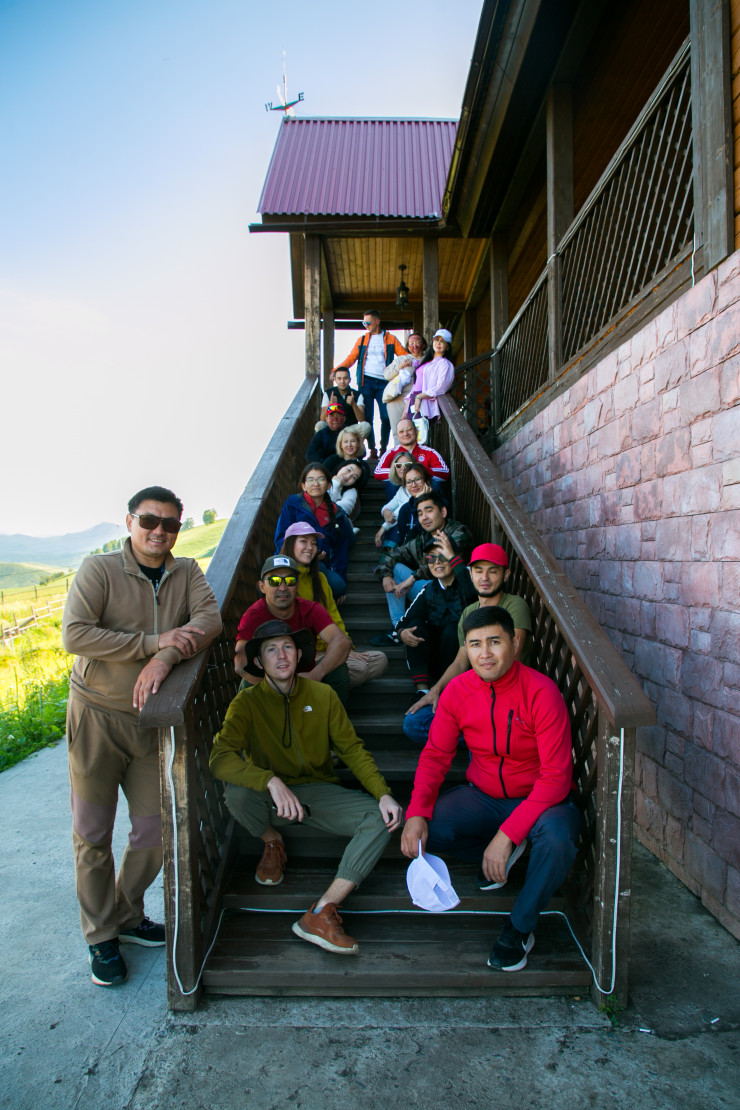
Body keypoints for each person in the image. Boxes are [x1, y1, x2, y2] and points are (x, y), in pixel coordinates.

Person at [61, 485, 222, 987]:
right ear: (129, 521)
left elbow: (209, 621)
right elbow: (75, 634)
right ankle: (100, 937)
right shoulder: (99, 570)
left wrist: (164, 657)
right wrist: (152, 641)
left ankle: (127, 915)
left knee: (154, 833)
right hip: (96, 717)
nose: (159, 532)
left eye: (170, 524)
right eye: (149, 521)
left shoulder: (186, 572)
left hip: (149, 723)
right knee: (93, 835)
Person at [401, 606, 582, 972]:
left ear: (514, 643)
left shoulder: (541, 692)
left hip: (542, 801)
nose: (485, 653)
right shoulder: (457, 691)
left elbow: (556, 777)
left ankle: (520, 926)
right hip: (484, 796)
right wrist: (416, 812)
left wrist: (506, 835)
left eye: (494, 641)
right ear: (466, 649)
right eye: (475, 644)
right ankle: (509, 850)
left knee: (558, 840)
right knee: (427, 831)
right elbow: (436, 755)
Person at [210, 620, 404, 954]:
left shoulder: (323, 695)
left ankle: (322, 911)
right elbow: (219, 759)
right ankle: (271, 841)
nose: (281, 655)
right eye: (271, 649)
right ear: (258, 661)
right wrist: (269, 780)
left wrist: (383, 793)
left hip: (317, 790)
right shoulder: (247, 703)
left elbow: (352, 749)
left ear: (299, 655)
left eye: (288, 647)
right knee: (236, 793)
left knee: (379, 818)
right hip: (272, 799)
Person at [404, 542, 532, 744]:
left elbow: (509, 659)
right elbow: (460, 662)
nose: (484, 578)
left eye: (493, 571)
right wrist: (436, 690)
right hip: (475, 695)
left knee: (481, 725)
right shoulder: (469, 612)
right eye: (478, 571)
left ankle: (483, 736)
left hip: (506, 697)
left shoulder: (514, 605)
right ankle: (480, 736)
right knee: (414, 722)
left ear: (506, 575)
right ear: (470, 575)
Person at [280, 522, 388, 689]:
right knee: (353, 670)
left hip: (330, 649)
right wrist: (334, 652)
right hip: (303, 654)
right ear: (290, 544)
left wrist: (346, 649)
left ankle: (315, 681)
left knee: (380, 660)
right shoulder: (283, 582)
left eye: (314, 543)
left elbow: (334, 618)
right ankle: (322, 679)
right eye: (303, 541)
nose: (310, 547)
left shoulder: (321, 579)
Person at [235, 555, 352, 706]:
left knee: (338, 671)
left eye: (290, 580)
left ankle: (332, 717)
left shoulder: (310, 609)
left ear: (297, 585)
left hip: (307, 677)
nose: (283, 587)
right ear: (262, 586)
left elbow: (341, 641)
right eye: (275, 581)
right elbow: (240, 663)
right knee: (247, 684)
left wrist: (317, 674)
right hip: (270, 681)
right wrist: (277, 686)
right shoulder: (254, 615)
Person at [372, 491, 473, 639]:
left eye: (429, 510)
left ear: (443, 512)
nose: (424, 517)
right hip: (430, 592)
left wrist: (414, 577)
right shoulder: (421, 540)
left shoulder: (458, 531)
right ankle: (398, 628)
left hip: (458, 593)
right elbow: (390, 555)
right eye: (420, 514)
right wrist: (385, 576)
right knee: (394, 568)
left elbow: (446, 561)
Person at [395, 533, 477, 694]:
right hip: (435, 658)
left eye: (443, 556)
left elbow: (471, 593)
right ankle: (422, 691)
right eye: (431, 558)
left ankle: (448, 690)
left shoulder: (470, 581)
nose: (437, 562)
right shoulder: (428, 590)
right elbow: (402, 623)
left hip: (464, 660)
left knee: (453, 629)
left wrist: (453, 557)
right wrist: (402, 633)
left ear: (454, 557)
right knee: (414, 626)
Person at [333, 309, 408, 457]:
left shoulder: (390, 338)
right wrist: (335, 370)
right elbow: (351, 358)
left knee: (385, 416)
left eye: (368, 322)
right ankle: (372, 448)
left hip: (384, 382)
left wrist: (413, 364)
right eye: (364, 323)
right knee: (367, 417)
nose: (366, 325)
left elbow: (404, 355)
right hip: (366, 381)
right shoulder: (362, 340)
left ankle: (383, 448)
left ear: (377, 321)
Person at [274, 463, 353, 598]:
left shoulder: (336, 512)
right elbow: (281, 536)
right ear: (303, 486)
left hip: (319, 564)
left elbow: (340, 550)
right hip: (290, 559)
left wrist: (342, 580)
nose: (316, 484)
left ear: (329, 485)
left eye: (321, 479)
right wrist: (300, 555)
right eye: (310, 480)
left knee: (338, 587)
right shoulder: (293, 503)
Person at [373, 417, 449, 484]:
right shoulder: (391, 453)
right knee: (392, 483)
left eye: (409, 430)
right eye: (401, 431)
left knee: (435, 483)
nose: (405, 434)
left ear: (416, 431)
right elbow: (378, 472)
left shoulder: (430, 452)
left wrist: (417, 471)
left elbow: (445, 472)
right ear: (397, 436)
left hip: (424, 488)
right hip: (400, 488)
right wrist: (401, 472)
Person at [404, 328, 455, 421]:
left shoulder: (445, 363)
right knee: (407, 428)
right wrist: (405, 412)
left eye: (443, 341)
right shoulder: (427, 362)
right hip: (414, 398)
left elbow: (441, 387)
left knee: (420, 429)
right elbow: (415, 386)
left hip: (424, 401)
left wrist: (420, 396)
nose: (438, 343)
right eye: (436, 340)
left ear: (447, 346)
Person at [383, 332, 426, 437]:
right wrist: (400, 366)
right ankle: (399, 448)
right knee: (398, 431)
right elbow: (387, 374)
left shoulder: (428, 359)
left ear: (423, 344)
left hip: (417, 399)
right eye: (411, 343)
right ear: (407, 346)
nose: (414, 346)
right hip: (397, 399)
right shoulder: (401, 359)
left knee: (418, 430)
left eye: (417, 342)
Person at [374, 452, 416, 548]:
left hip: (417, 524)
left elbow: (404, 507)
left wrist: (383, 528)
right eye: (398, 465)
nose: (403, 468)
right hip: (406, 523)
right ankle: (390, 550)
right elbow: (390, 505)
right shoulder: (402, 489)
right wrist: (386, 511)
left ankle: (391, 551)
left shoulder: (417, 485)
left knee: (397, 522)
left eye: (407, 465)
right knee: (393, 521)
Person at [317, 368, 371, 443]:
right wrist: (330, 404)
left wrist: (353, 404)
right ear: (335, 380)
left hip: (350, 429)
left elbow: (361, 419)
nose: (342, 381)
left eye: (345, 378)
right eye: (339, 378)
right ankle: (331, 446)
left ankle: (352, 446)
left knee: (366, 426)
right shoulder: (329, 393)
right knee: (319, 425)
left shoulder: (357, 395)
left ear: (349, 380)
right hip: (333, 427)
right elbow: (322, 418)